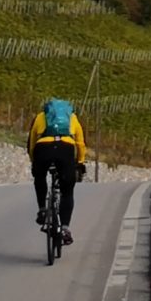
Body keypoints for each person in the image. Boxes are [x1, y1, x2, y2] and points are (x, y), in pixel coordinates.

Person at [28, 97, 89, 242]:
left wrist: (34, 161)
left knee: (40, 177)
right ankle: (65, 229)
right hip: (65, 148)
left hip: (43, 148)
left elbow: (31, 143)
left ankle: (42, 209)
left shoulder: (40, 117)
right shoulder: (72, 118)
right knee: (67, 191)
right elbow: (80, 144)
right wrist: (80, 162)